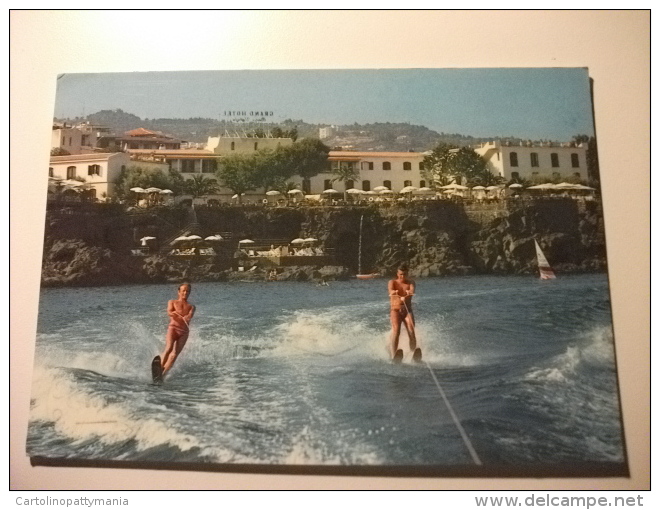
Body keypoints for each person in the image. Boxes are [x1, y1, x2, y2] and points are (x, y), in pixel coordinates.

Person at [161, 282, 195, 376]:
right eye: (183, 291)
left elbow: (190, 315)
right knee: (169, 348)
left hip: (184, 332)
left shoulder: (192, 306)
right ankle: (160, 367)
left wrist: (187, 316)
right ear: (179, 292)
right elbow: (169, 311)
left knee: (174, 355)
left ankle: (163, 374)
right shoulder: (172, 302)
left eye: (188, 291)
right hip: (173, 329)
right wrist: (174, 314)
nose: (185, 293)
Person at [388, 264, 417, 360]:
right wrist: (393, 292)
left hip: (407, 310)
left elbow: (412, 290)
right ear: (397, 274)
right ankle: (393, 355)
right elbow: (390, 290)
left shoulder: (411, 282)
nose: (402, 276)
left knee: (411, 330)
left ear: (407, 274)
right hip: (395, 310)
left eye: (404, 274)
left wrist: (408, 294)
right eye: (400, 274)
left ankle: (414, 353)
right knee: (396, 331)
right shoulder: (392, 282)